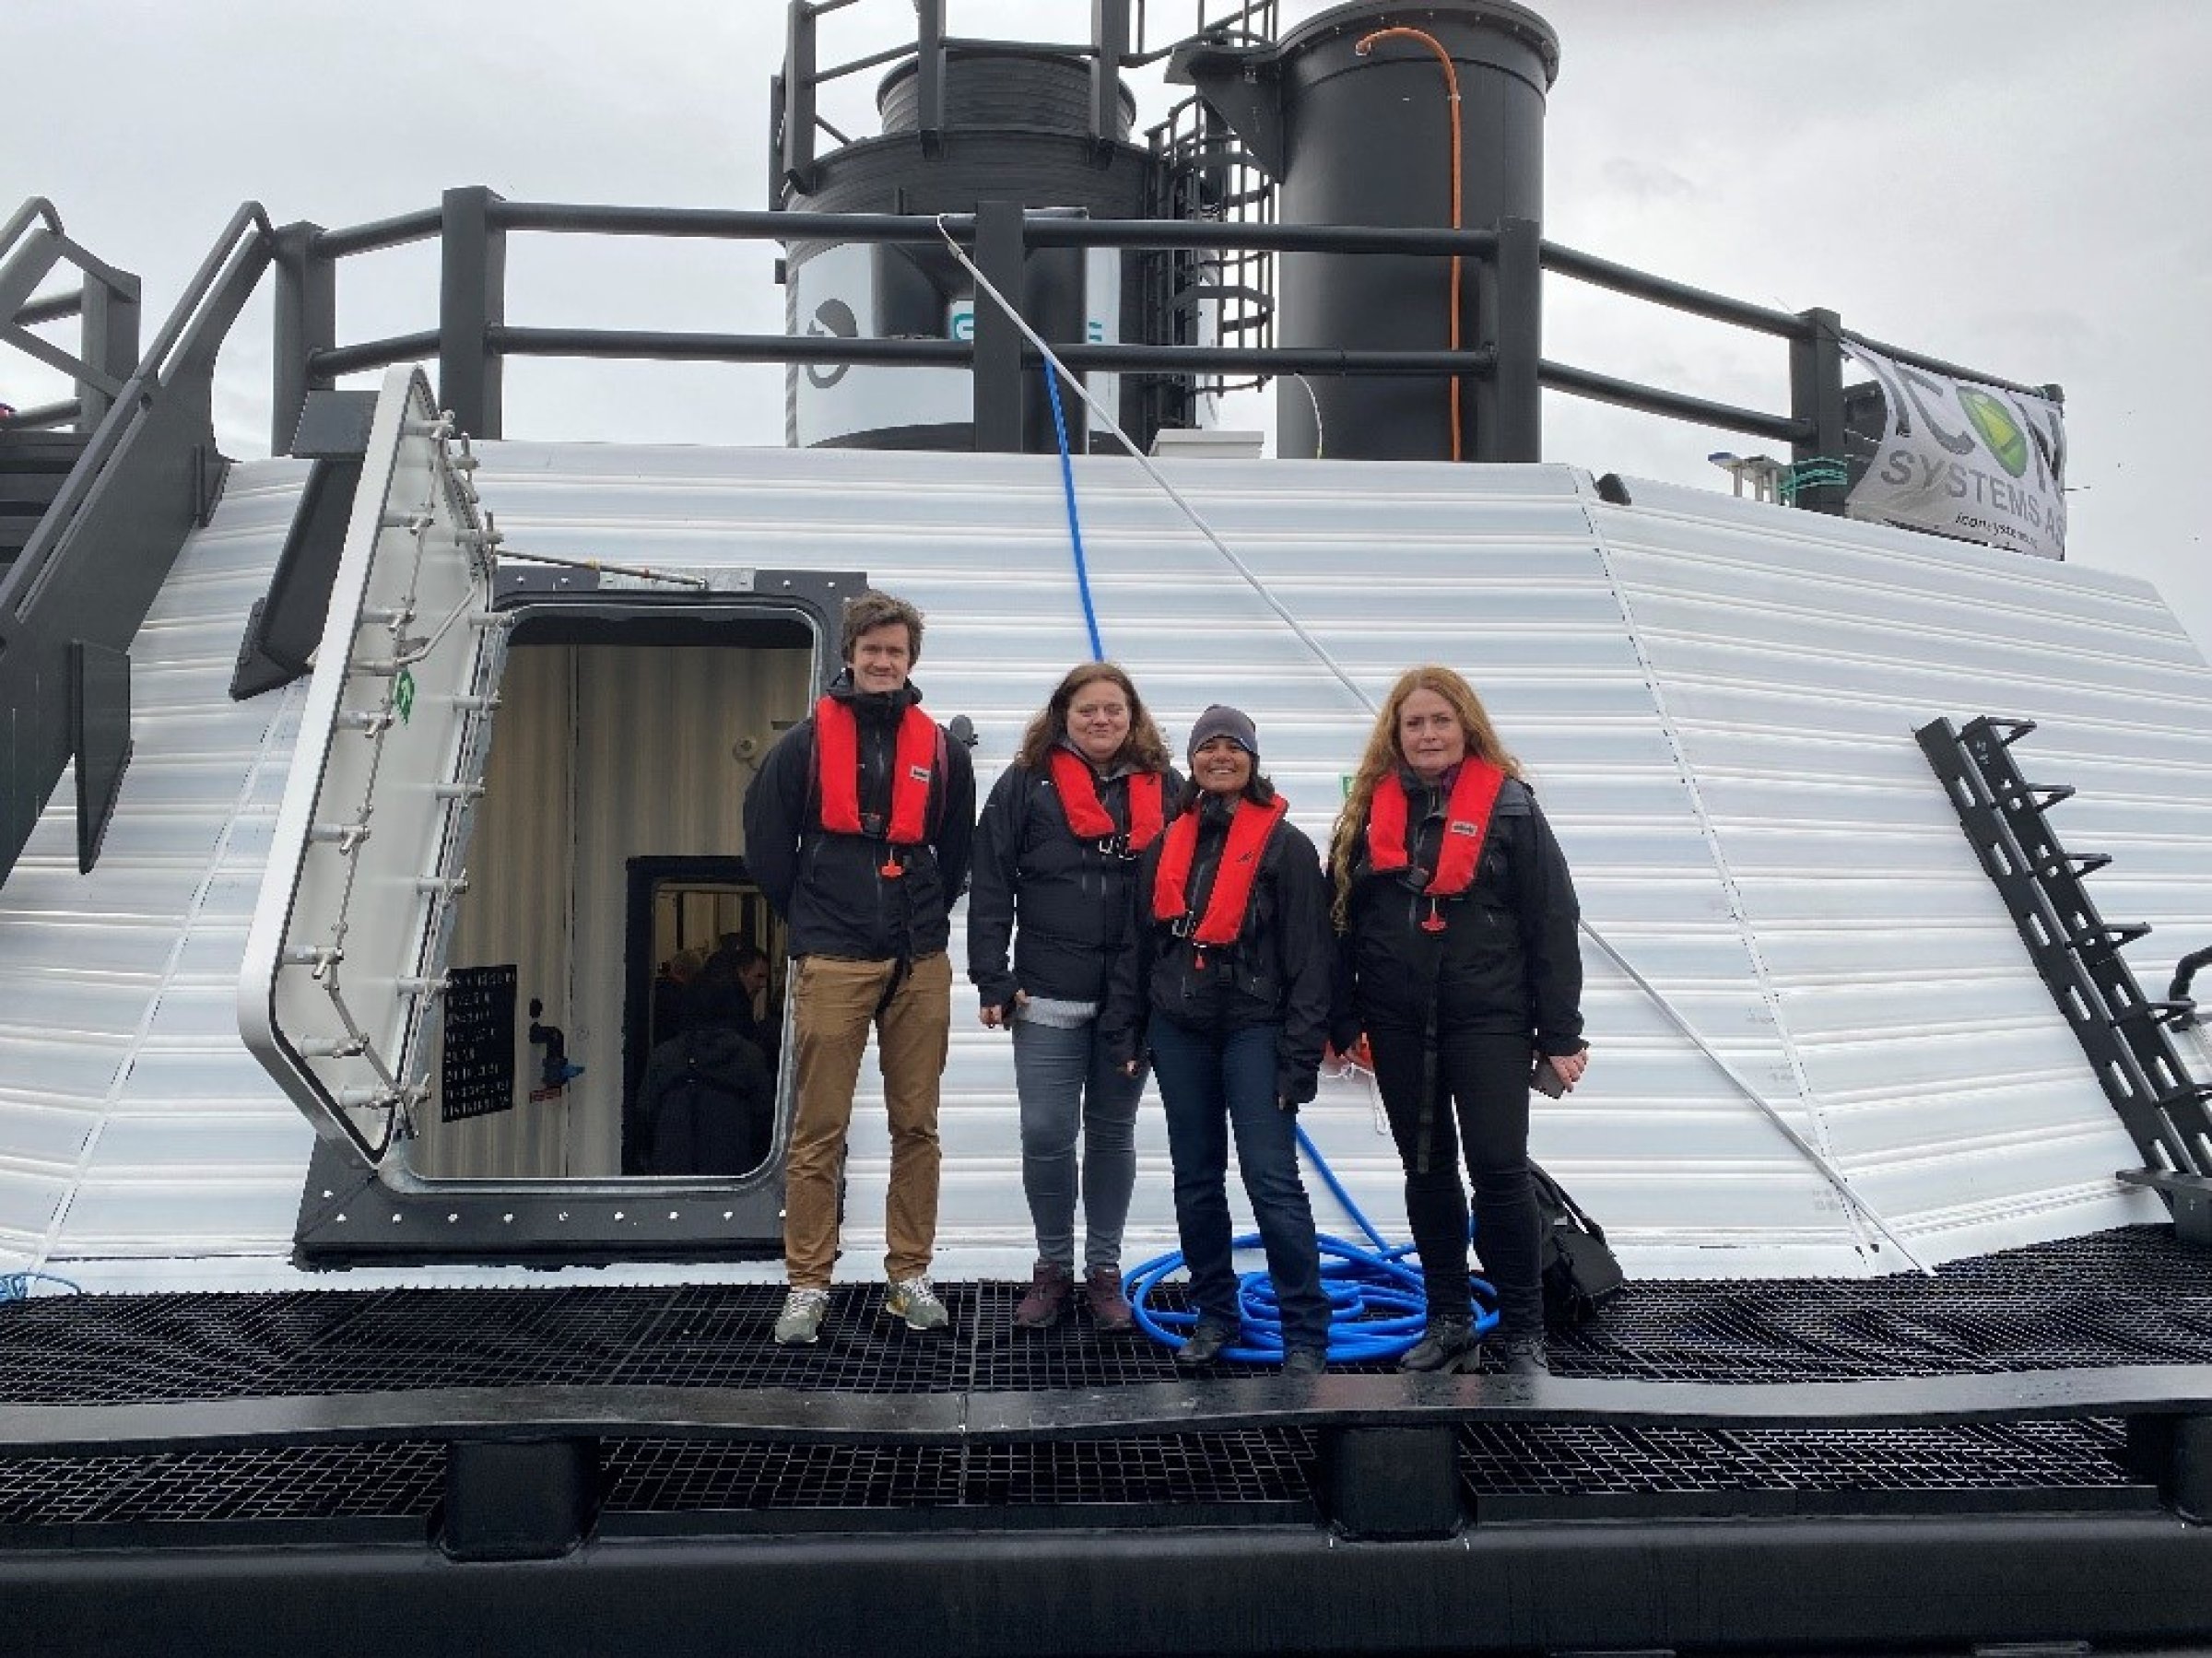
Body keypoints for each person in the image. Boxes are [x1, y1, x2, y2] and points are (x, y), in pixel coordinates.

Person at [1327, 665, 1588, 1377]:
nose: (1427, 734)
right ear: (1396, 733)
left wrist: (1560, 1033)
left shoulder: (1512, 809)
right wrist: (1340, 1016)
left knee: (1499, 1170)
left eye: (1440, 720)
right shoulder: (1366, 814)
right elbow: (1340, 919)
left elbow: (1553, 918)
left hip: (1490, 1020)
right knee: (1426, 1169)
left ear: (1466, 726)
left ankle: (1525, 1331)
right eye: (1413, 723)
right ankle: (1449, 1319)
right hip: (1398, 1020)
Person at [744, 590, 976, 1346]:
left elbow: (956, 849)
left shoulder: (942, 752)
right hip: (834, 955)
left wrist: (925, 917)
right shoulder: (803, 746)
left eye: (895, 651)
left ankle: (909, 1275)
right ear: (850, 654)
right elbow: (766, 846)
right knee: (820, 1129)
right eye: (872, 649)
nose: (883, 661)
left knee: (918, 1125)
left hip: (919, 959)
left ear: (911, 660)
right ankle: (808, 1283)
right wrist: (814, 916)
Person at [1102, 705, 1334, 1374]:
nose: (1220, 756)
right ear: (1193, 761)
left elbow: (1312, 962)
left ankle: (1305, 1331)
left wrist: (1300, 1059)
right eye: (1208, 747)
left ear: (1253, 760)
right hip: (1180, 1030)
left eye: (1234, 746)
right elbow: (1138, 949)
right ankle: (1214, 1312)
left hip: (1256, 1030)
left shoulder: (1288, 849)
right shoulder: (1164, 847)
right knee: (1196, 1180)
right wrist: (1128, 1032)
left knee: (1271, 1179)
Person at [968, 663, 1178, 1335]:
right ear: (1064, 715)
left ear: (1132, 715)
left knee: (1113, 1132)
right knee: (1046, 1131)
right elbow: (991, 880)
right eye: (1087, 709)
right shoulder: (1024, 784)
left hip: (1130, 1004)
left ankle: (1104, 1270)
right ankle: (1053, 1265)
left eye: (1113, 708)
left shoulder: (1169, 788)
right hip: (1046, 995)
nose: (1101, 719)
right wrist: (991, 976)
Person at [637, 955, 775, 1176]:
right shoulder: (750, 1057)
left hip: (672, 1174)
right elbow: (764, 1122)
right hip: (733, 1176)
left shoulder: (664, 1057)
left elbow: (645, 1117)